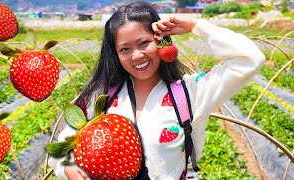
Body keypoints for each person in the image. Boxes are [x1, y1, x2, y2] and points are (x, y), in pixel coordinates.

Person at [49, 1, 265, 180]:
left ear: (159, 40)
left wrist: (193, 26)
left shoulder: (190, 93)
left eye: (144, 43)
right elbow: (62, 145)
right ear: (116, 54)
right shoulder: (103, 97)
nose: (136, 55)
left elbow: (249, 59)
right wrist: (66, 168)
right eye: (125, 49)